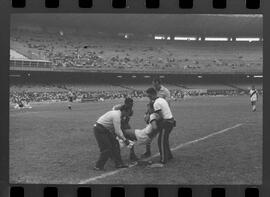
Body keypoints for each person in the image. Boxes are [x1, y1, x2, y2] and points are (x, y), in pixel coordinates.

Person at [93, 105, 132, 170]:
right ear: (124, 111)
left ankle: (119, 164)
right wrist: (125, 140)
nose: (128, 114)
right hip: (99, 129)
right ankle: (98, 166)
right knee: (106, 148)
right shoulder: (117, 116)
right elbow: (118, 131)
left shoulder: (117, 113)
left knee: (115, 145)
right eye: (128, 112)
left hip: (105, 129)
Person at [141, 78, 171, 159]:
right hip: (152, 114)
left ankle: (167, 154)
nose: (153, 86)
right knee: (149, 133)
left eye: (155, 84)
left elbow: (167, 104)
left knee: (162, 137)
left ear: (159, 83)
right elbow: (149, 103)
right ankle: (148, 151)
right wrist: (147, 113)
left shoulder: (165, 91)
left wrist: (159, 116)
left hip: (160, 115)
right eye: (153, 84)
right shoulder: (152, 91)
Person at [146, 87, 176, 167]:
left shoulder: (156, 103)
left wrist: (152, 119)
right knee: (164, 140)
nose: (149, 98)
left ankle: (163, 159)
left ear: (153, 94)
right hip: (171, 121)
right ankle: (169, 155)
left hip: (166, 123)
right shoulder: (162, 99)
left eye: (149, 96)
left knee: (161, 141)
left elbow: (160, 117)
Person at [113, 98, 139, 162]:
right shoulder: (118, 108)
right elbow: (114, 117)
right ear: (125, 103)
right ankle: (114, 155)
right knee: (115, 141)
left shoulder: (131, 110)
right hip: (116, 125)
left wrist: (127, 129)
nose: (131, 106)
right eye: (130, 105)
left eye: (132, 105)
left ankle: (132, 155)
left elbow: (126, 120)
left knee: (132, 137)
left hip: (124, 125)